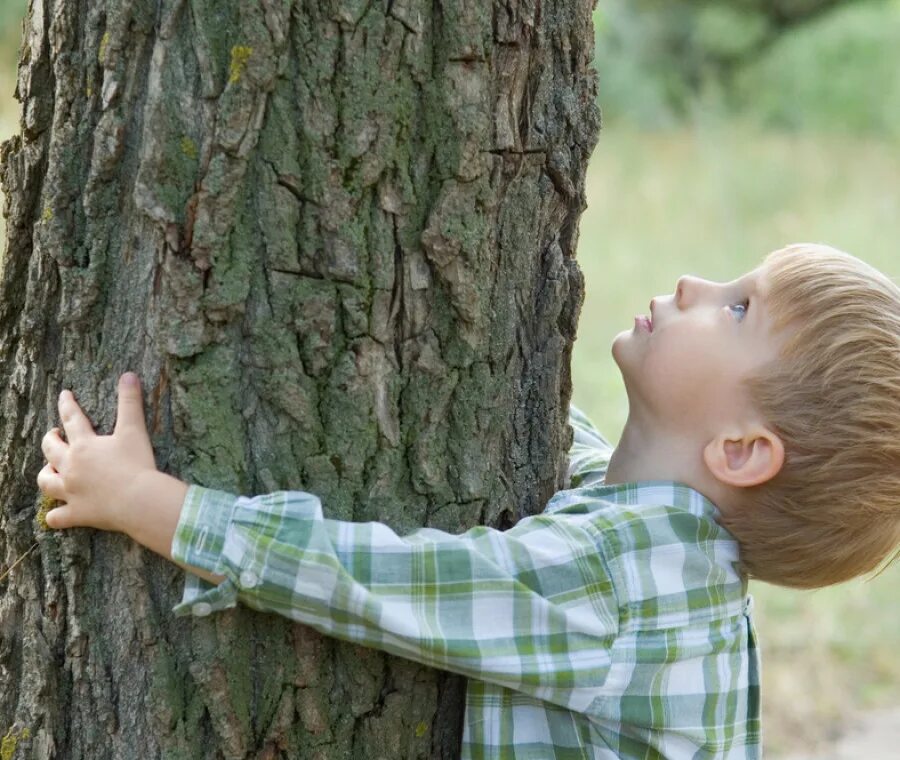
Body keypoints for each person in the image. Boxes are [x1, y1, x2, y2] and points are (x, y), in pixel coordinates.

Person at [36, 243, 900, 759]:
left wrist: (148, 501)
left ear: (742, 452)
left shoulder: (626, 585)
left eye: (738, 307)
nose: (691, 284)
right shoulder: (662, 547)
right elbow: (587, 462)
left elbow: (379, 582)